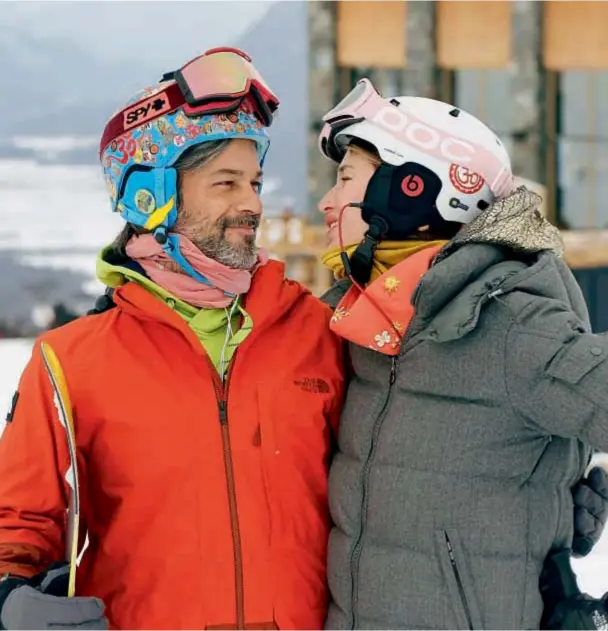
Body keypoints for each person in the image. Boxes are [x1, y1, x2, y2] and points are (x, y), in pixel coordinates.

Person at [0, 47, 344, 630]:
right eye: (226, 183)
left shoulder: (316, 331)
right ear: (151, 194)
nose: (253, 204)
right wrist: (8, 597)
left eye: (255, 181)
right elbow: (18, 521)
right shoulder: (72, 361)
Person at [316, 78, 608, 629]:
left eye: (345, 180)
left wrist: (557, 484)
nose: (326, 202)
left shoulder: (511, 325)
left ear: (408, 190)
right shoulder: (356, 325)